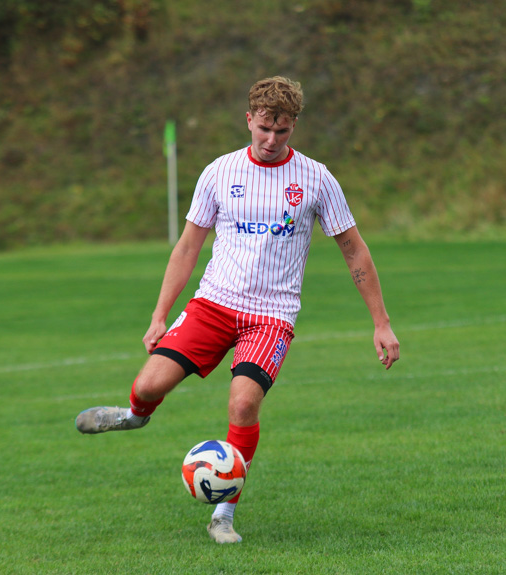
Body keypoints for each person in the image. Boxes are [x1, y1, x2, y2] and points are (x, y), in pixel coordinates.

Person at [75, 76, 400, 544]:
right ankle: (135, 415)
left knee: (244, 402)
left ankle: (223, 515)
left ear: (293, 128)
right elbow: (188, 248)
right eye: (264, 127)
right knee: (148, 385)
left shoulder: (316, 179)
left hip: (272, 314)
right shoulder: (219, 172)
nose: (271, 140)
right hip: (214, 304)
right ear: (249, 119)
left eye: (282, 131)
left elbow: (354, 250)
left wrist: (381, 323)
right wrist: (158, 315)